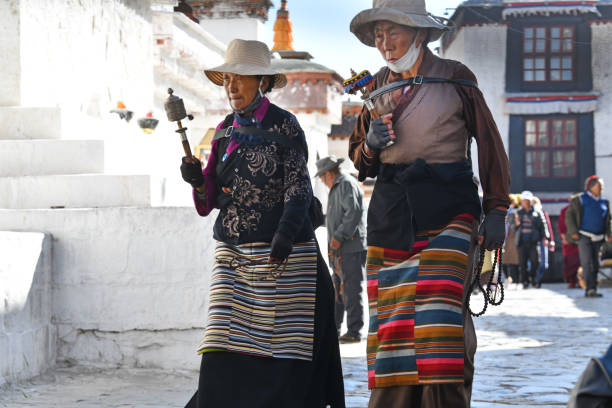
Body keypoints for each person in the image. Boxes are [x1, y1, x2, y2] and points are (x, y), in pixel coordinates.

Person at [347, 1, 511, 406]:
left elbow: (489, 142)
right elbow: (359, 161)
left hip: (449, 210)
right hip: (390, 214)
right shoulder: (375, 88)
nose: (384, 43)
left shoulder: (456, 78)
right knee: (392, 322)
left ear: (419, 32)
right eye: (378, 35)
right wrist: (370, 145)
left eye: (393, 32)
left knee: (439, 314)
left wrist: (497, 209)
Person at [179, 39, 345, 408]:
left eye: (241, 78)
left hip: (283, 256)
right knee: (221, 347)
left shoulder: (286, 126)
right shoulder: (223, 132)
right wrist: (195, 179)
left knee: (283, 352)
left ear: (262, 82)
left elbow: (298, 188)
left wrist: (284, 236)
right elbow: (208, 202)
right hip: (234, 258)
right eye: (227, 79)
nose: (231, 87)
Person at [315, 156, 367, 344]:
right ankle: (335, 329)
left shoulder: (345, 184)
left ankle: (354, 331)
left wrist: (338, 236)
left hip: (350, 247)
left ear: (329, 173)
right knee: (338, 290)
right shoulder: (339, 186)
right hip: (341, 249)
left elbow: (352, 213)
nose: (322, 181)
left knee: (351, 289)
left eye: (322, 177)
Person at [565, 175, 612, 298]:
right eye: (599, 186)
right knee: (587, 262)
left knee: (596, 263)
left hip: (599, 237)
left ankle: (593, 288)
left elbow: (608, 220)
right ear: (591, 187)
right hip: (584, 236)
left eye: (602, 186)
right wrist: (573, 231)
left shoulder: (604, 201)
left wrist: (609, 233)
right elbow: (569, 216)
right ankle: (589, 289)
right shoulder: (580, 199)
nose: (601, 188)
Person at [513, 191, 549, 289]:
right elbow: (513, 227)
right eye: (525, 200)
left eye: (528, 200)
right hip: (521, 241)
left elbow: (543, 225)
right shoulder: (518, 213)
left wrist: (545, 237)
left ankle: (533, 279)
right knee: (522, 263)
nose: (527, 202)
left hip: (534, 241)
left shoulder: (537, 212)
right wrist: (516, 225)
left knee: (535, 262)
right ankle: (525, 281)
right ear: (522, 201)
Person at [533, 197, 555, 288]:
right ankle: (534, 281)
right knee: (533, 263)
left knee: (544, 264)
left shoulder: (543, 213)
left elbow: (548, 227)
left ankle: (536, 279)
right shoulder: (529, 214)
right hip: (533, 241)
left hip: (543, 240)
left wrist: (551, 240)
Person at [559, 199, 581, 288]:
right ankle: (572, 281)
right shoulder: (565, 210)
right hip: (568, 240)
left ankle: (580, 281)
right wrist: (564, 237)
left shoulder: (582, 210)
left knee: (581, 262)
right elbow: (561, 225)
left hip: (580, 240)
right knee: (570, 263)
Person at [502, 195, 521, 285]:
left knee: (514, 260)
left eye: (512, 201)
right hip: (504, 237)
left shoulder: (516, 212)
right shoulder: (503, 211)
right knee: (503, 260)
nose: (510, 203)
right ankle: (508, 278)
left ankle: (517, 280)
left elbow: (518, 225)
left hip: (512, 237)